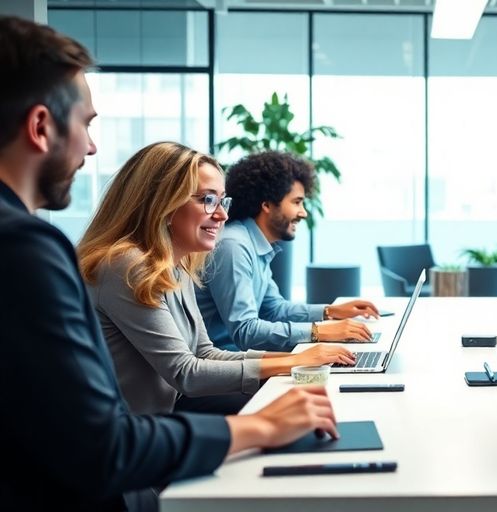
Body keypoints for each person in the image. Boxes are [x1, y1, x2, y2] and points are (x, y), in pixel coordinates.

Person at [0, 17, 340, 510]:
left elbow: (203, 351)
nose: (92, 147)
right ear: (39, 126)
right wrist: (266, 415)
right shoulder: (44, 250)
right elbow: (128, 420)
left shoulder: (170, 264)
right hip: (116, 473)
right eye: (87, 125)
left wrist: (294, 365)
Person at [79, 142, 356, 415]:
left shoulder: (179, 262)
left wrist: (297, 360)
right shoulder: (127, 265)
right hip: (135, 433)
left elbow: (205, 352)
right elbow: (186, 372)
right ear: (162, 203)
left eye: (222, 200)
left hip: (170, 409)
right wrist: (295, 360)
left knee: (306, 402)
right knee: (297, 411)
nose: (223, 214)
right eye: (208, 199)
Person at [196, 150, 378, 352]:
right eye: (297, 202)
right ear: (266, 205)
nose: (303, 212)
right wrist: (320, 331)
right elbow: (246, 331)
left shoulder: (255, 244)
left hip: (248, 362)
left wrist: (330, 311)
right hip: (228, 369)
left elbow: (274, 309)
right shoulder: (234, 246)